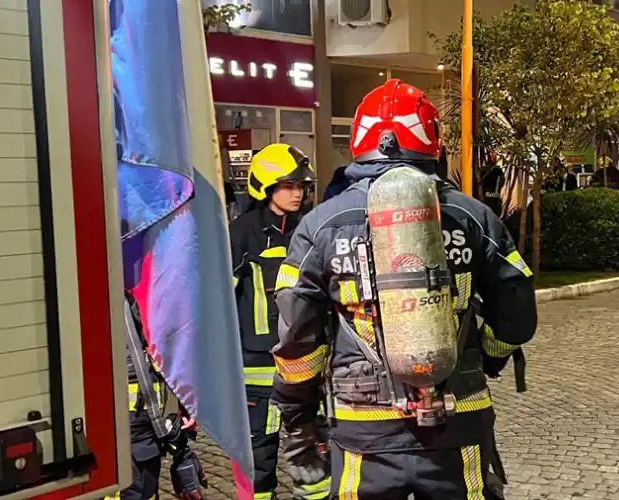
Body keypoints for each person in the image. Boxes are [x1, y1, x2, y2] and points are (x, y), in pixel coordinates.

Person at [270, 79, 537, 498]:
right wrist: (488, 356)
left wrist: (299, 420)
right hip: (459, 421)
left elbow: (297, 338)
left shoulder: (320, 225)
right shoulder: (474, 218)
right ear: (431, 141)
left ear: (359, 140)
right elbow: (517, 310)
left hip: (363, 429)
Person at [229, 143, 330, 500]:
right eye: (288, 185)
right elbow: (222, 301)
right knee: (258, 456)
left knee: (314, 451)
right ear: (265, 187)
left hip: (308, 364)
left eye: (301, 186)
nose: (297, 192)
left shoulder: (313, 230)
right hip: (256, 366)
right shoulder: (241, 234)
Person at [114, 288, 208, 500]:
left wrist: (180, 408)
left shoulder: (132, 297)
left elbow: (159, 361)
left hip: (142, 429)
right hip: (129, 428)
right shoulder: (115, 301)